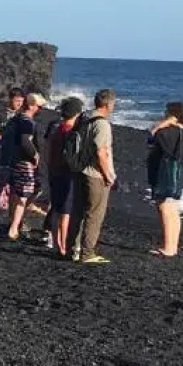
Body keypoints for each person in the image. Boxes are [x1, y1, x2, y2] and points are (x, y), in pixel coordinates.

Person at [68, 89, 117, 265]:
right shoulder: (102, 124)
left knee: (77, 211)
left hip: (80, 170)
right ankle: (87, 252)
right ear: (108, 104)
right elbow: (101, 152)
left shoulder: (84, 118)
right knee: (94, 214)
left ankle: (72, 248)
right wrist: (108, 175)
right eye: (113, 103)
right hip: (94, 174)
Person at [148, 102, 183, 257]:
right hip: (179, 174)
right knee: (174, 209)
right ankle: (172, 246)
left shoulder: (166, 132)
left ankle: (168, 247)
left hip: (165, 173)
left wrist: (165, 123)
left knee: (164, 207)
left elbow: (152, 134)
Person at [43, 97, 83, 256]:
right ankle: (63, 245)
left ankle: (56, 242)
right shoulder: (70, 132)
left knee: (56, 209)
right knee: (66, 212)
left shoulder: (56, 128)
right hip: (67, 173)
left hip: (55, 171)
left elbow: (48, 149)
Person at [4, 93, 47, 241]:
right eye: (39, 106)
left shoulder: (15, 119)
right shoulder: (27, 122)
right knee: (25, 195)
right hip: (24, 162)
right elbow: (25, 141)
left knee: (16, 193)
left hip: (13, 160)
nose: (40, 110)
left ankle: (14, 223)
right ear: (32, 105)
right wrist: (35, 155)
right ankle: (14, 227)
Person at [0, 87, 27, 203]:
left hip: (15, 152)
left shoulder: (21, 116)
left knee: (13, 178)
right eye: (17, 101)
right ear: (10, 99)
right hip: (0, 150)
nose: (19, 104)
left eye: (21, 101)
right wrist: (5, 141)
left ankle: (7, 202)